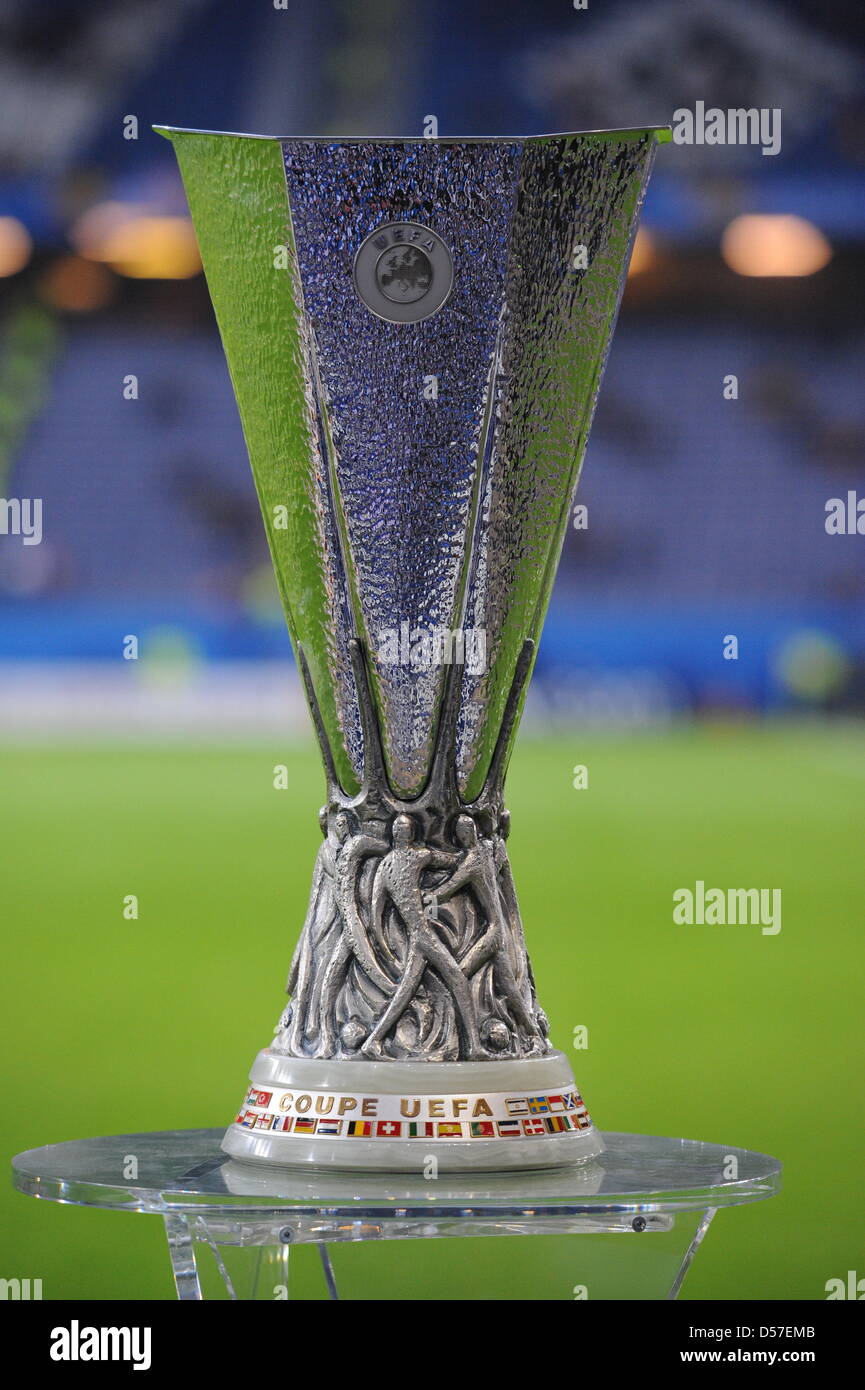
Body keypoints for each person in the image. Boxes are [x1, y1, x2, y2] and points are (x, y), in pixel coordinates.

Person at [362, 814, 484, 1059]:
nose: (402, 834)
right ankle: (474, 1045)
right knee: (457, 980)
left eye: (403, 830)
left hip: (418, 936)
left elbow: (375, 908)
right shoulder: (417, 856)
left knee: (407, 989)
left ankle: (373, 1040)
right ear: (405, 835)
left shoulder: (388, 865)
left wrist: (379, 938)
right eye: (401, 830)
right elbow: (451, 861)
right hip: (422, 935)